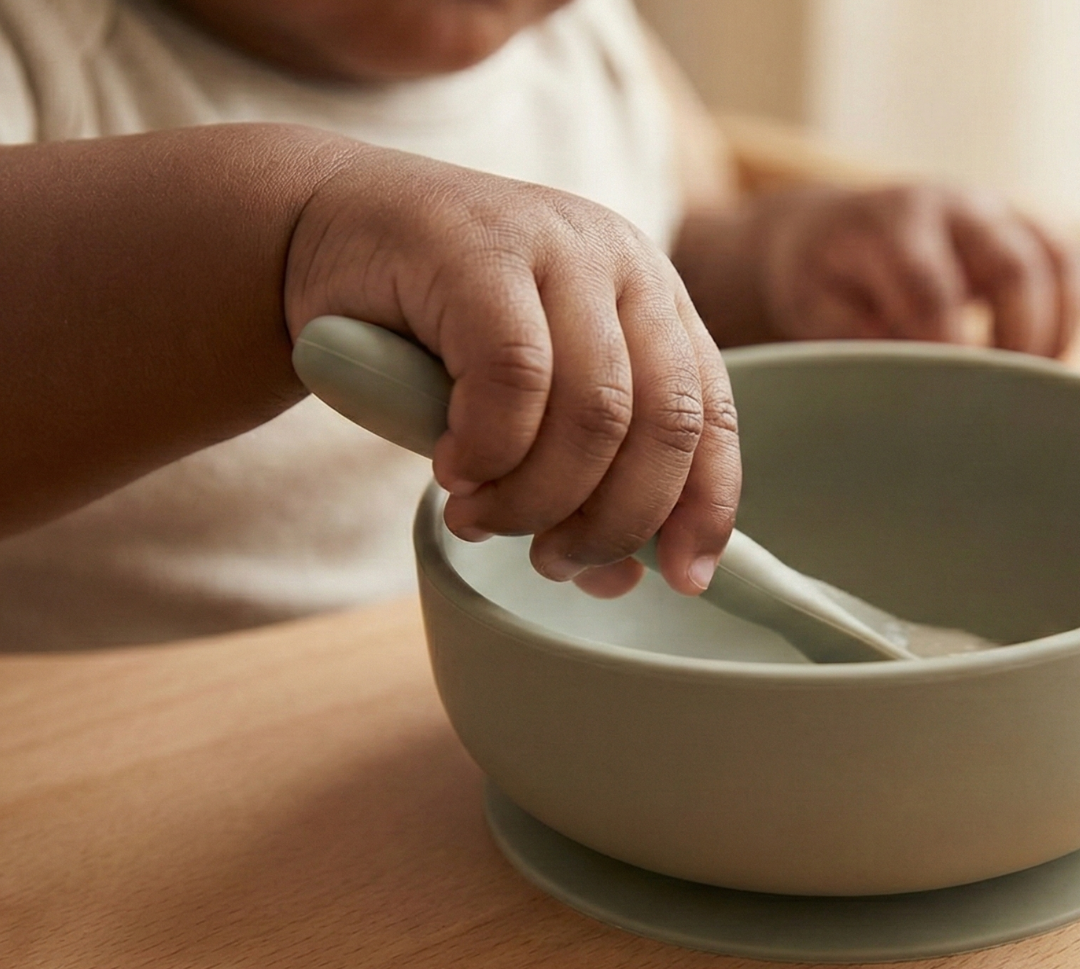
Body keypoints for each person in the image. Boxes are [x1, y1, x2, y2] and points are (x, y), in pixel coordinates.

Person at [0, 0, 1074, 649]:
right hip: (113, 813)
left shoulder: (584, 47)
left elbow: (665, 245)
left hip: (442, 733)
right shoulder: (42, 43)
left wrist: (778, 268)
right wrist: (286, 238)